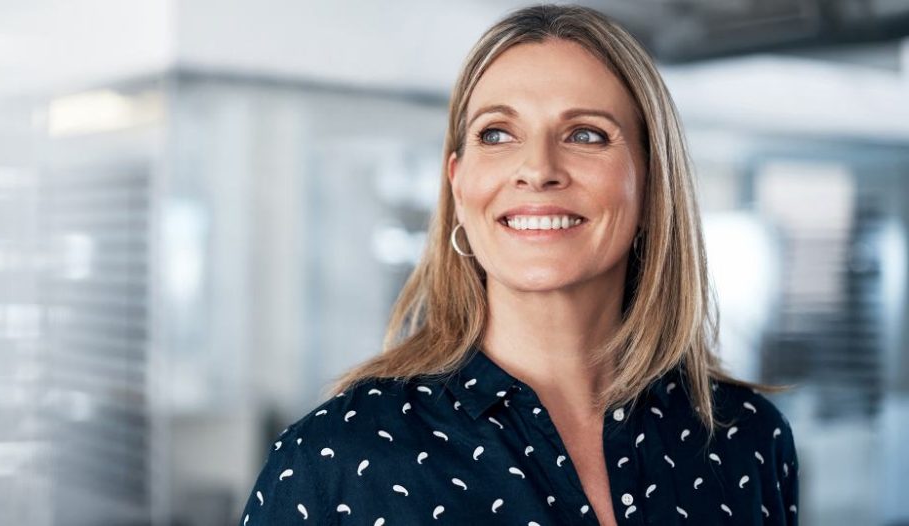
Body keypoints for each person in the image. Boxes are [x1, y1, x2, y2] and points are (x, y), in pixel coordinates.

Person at [239, 4, 799, 525]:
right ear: (458, 185)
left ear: (653, 186)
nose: (538, 169)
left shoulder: (747, 437)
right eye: (497, 134)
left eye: (585, 135)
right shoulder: (333, 460)